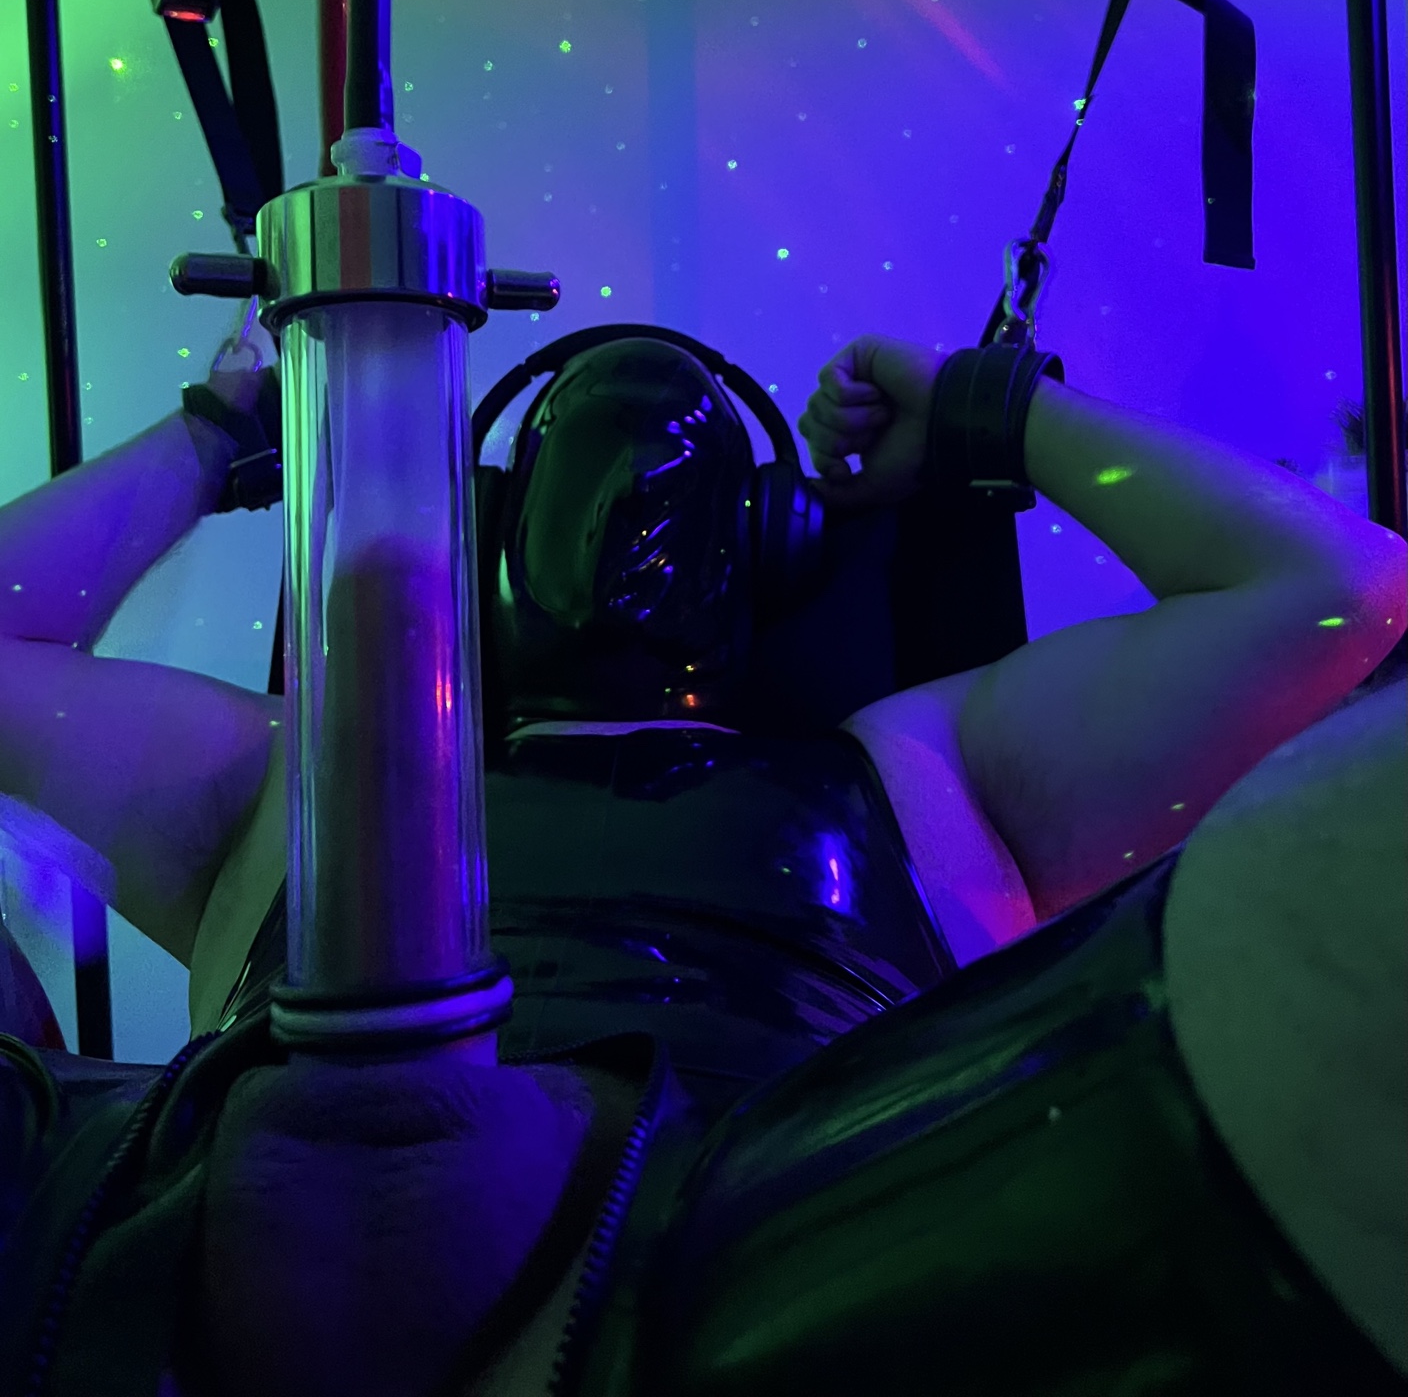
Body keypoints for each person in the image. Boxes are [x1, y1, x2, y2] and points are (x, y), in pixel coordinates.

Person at [0, 328, 1401, 1057]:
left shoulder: (923, 781)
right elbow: (1328, 587)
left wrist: (987, 408)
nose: (631, 522)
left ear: (777, 542)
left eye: (680, 492)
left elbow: (1344, 590)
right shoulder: (303, 782)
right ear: (483, 540)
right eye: (592, 478)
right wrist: (221, 436)